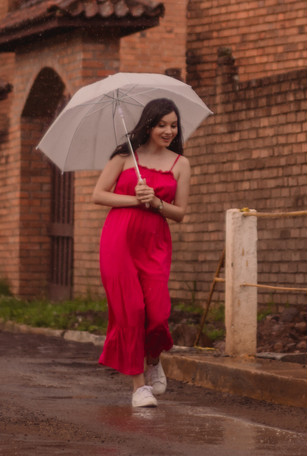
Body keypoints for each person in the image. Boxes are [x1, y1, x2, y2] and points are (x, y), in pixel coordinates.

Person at [91, 98, 192, 409]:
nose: (168, 131)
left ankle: (153, 359)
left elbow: (180, 213)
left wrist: (157, 203)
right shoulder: (124, 156)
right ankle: (139, 387)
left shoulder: (181, 163)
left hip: (155, 243)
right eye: (162, 124)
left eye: (173, 125)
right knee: (130, 311)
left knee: (158, 312)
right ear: (148, 125)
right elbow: (98, 194)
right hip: (118, 240)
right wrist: (137, 200)